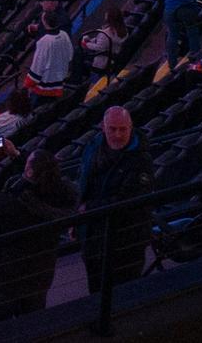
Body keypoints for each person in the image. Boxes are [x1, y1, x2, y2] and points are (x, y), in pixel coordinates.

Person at [0, 140, 77, 320]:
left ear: (29, 171)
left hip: (6, 278)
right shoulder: (60, 195)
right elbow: (42, 179)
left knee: (2, 325)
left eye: (26, 164)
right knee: (33, 321)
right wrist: (17, 155)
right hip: (40, 274)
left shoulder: (15, 205)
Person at [76, 106, 152, 293]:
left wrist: (88, 209)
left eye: (122, 129)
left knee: (123, 294)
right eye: (112, 129)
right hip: (94, 240)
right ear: (103, 127)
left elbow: (130, 202)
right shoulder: (93, 147)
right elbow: (84, 183)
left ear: (131, 128)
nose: (117, 135)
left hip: (125, 243)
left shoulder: (140, 161)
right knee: (95, 292)